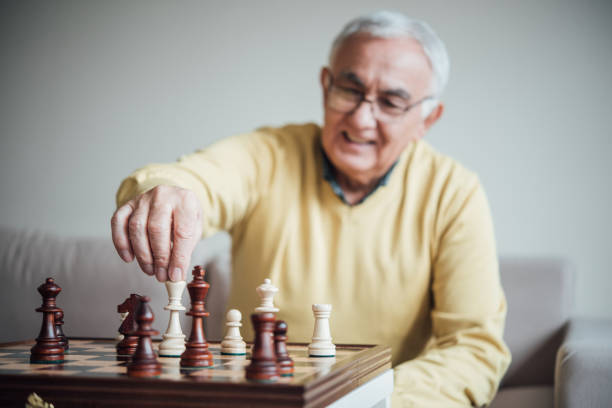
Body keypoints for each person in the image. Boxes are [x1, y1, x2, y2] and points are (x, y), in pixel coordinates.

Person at [111, 10, 511, 406]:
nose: (361, 118)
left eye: (390, 102)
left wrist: (372, 401)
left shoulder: (454, 193)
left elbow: (474, 348)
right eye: (349, 91)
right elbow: (193, 179)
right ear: (325, 86)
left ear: (427, 118)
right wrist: (165, 190)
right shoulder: (269, 156)